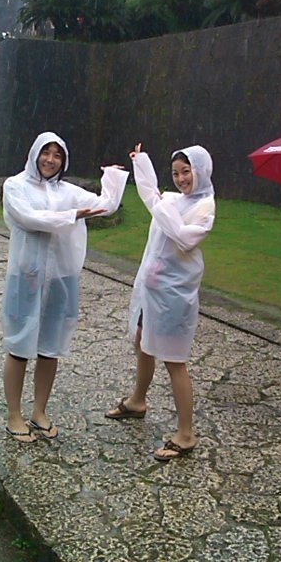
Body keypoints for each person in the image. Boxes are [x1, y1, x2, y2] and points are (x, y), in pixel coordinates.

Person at [1, 131, 128, 443]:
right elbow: (30, 218)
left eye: (58, 155)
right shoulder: (15, 186)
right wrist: (72, 215)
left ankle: (39, 411)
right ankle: (14, 415)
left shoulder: (68, 191)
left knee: (50, 347)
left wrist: (113, 176)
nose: (50, 160)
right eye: (46, 153)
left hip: (60, 279)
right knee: (19, 347)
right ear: (35, 154)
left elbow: (106, 205)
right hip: (26, 277)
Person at [106, 142, 215, 461]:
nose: (181, 179)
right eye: (176, 173)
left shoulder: (205, 207)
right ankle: (137, 400)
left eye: (187, 172)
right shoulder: (174, 200)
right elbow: (151, 194)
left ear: (201, 171)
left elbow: (183, 236)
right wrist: (141, 163)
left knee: (174, 361)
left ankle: (186, 433)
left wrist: (158, 203)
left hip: (173, 296)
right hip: (152, 291)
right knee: (142, 342)